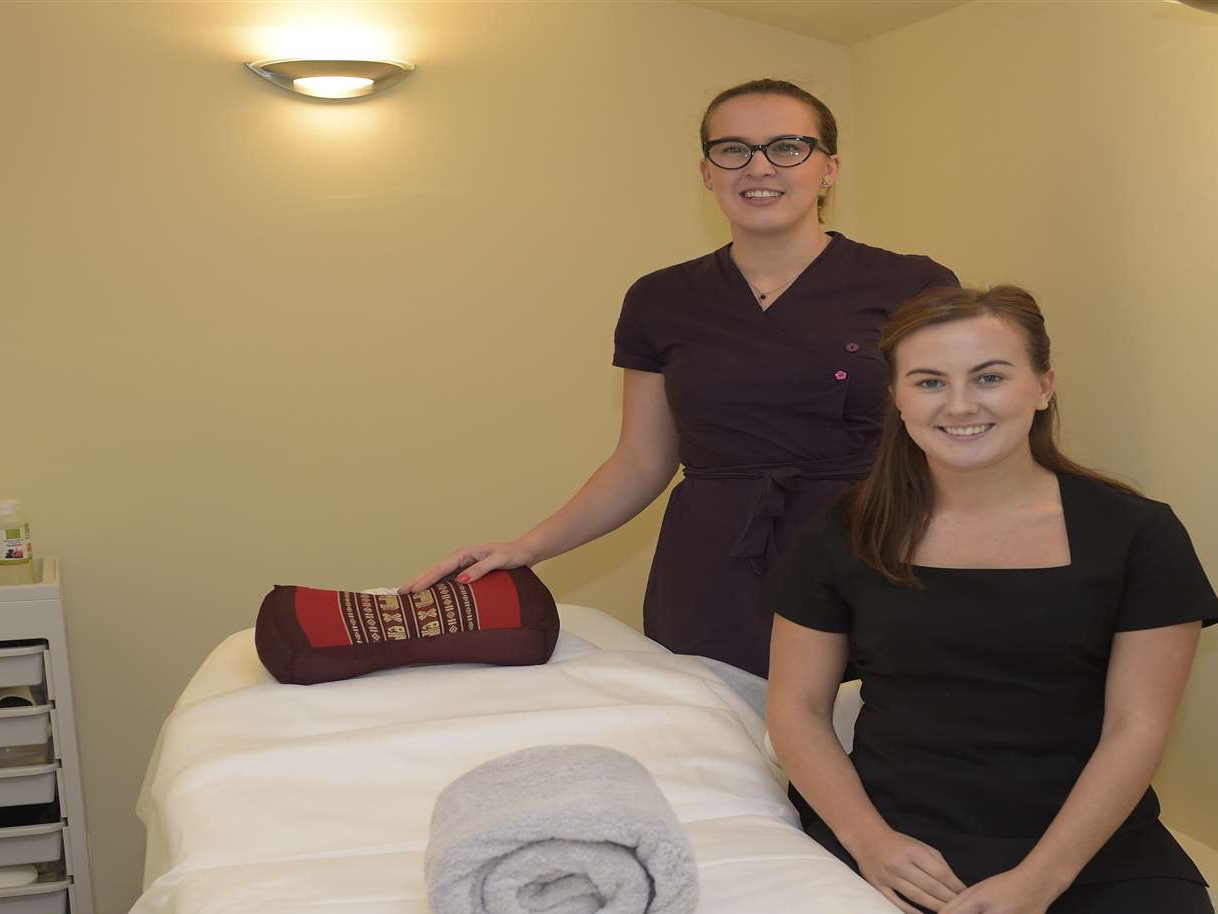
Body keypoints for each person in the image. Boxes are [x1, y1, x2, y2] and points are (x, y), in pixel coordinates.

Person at [762, 285, 1218, 914]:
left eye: (989, 376)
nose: (960, 404)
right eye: (929, 382)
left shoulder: (1136, 533)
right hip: (912, 847)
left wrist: (1040, 880)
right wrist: (870, 844)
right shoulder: (844, 534)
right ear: (896, 397)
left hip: (1095, 842)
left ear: (1043, 386)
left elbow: (1137, 728)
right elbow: (796, 709)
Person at [404, 78, 958, 676]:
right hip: (712, 568)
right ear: (707, 173)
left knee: (869, 748)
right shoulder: (660, 299)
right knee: (720, 753)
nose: (758, 167)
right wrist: (527, 547)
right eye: (733, 149)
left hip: (873, 552)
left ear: (828, 169)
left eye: (787, 147)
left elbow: (958, 437)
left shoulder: (910, 285)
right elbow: (641, 460)